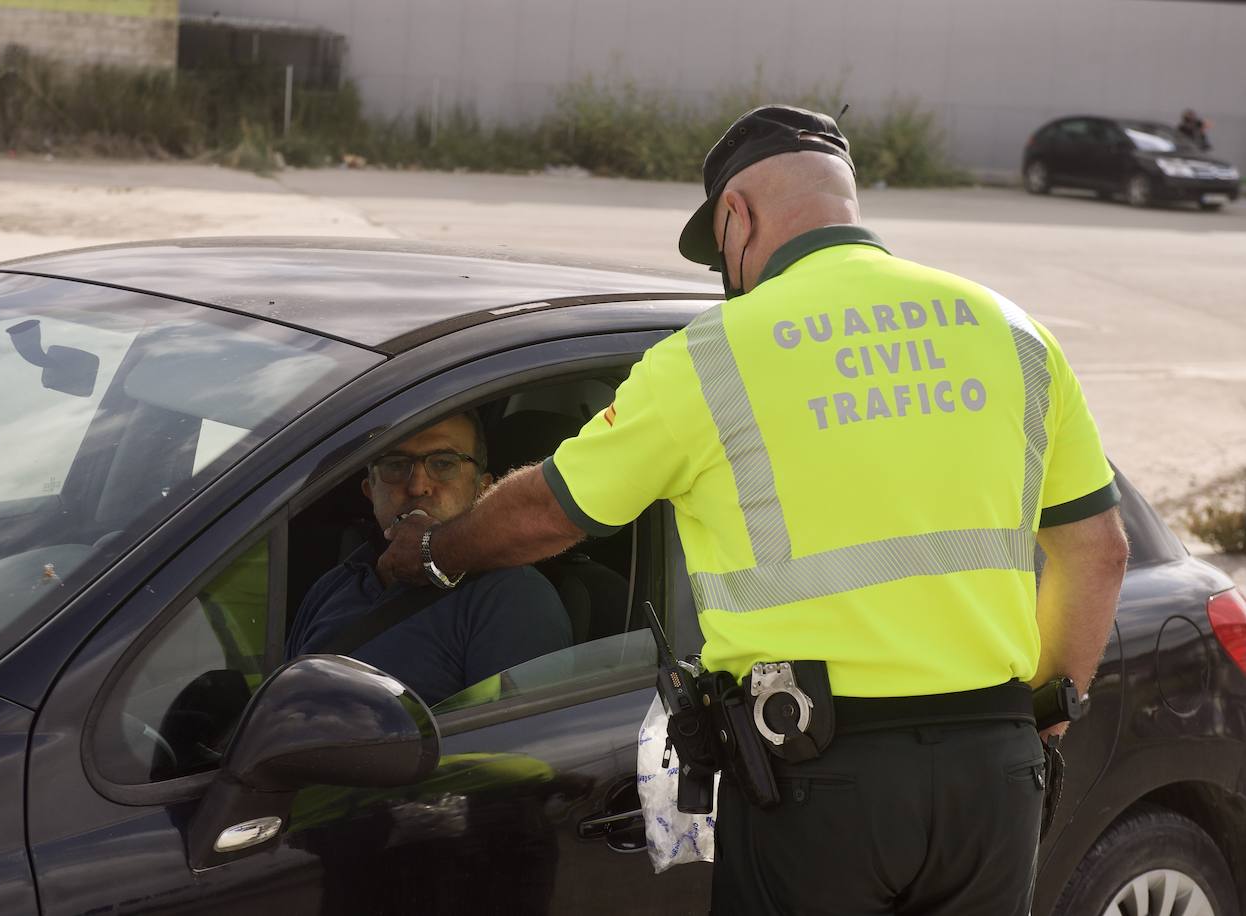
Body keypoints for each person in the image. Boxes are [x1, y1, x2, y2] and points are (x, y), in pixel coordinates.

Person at [379, 105, 1128, 914]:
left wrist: (434, 552)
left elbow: (547, 513)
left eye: (720, 253)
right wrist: (1045, 723)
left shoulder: (714, 355)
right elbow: (1100, 553)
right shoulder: (1013, 330)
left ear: (736, 214)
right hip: (995, 776)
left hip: (821, 784)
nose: (726, 276)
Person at [286, 411, 572, 707]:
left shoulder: (513, 597)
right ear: (370, 491)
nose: (417, 486)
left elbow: (520, 741)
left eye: (443, 463)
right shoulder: (334, 585)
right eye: (396, 465)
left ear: (483, 490)